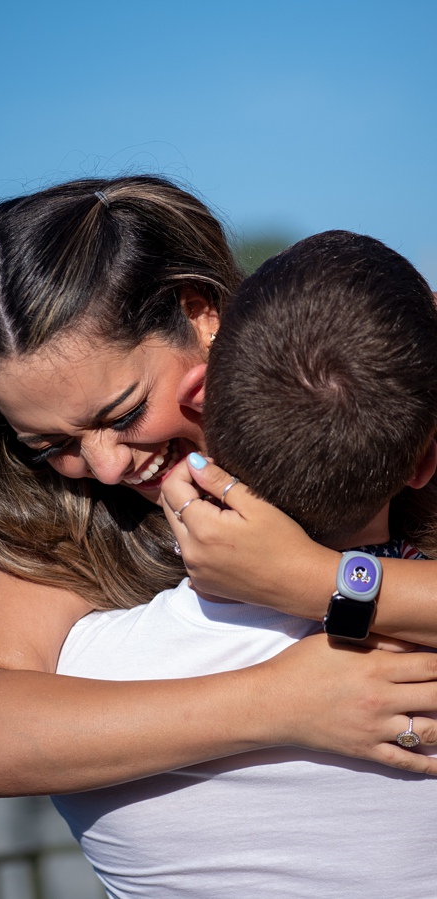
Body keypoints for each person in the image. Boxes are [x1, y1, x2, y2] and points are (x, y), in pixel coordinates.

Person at [0, 175, 437, 799]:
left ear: (200, 311)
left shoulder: (380, 401)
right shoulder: (50, 517)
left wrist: (310, 579)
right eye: (52, 446)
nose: (106, 467)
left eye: (124, 413)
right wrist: (280, 702)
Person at [52, 230, 437, 896]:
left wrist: (309, 583)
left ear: (201, 395)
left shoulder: (82, 677)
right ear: (424, 461)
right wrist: (327, 587)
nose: (108, 461)